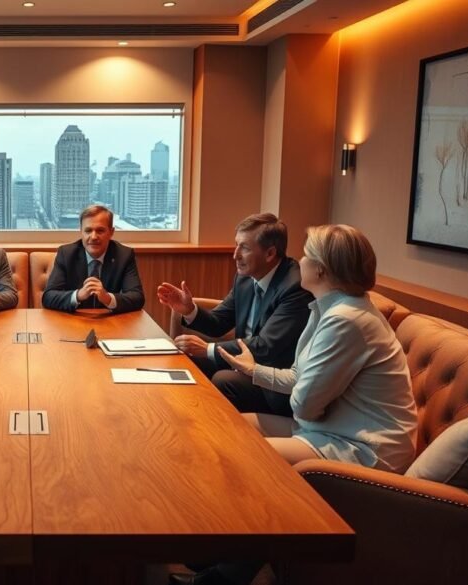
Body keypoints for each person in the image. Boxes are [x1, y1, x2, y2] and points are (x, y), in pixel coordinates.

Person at [173, 225, 418, 585]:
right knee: (226, 432)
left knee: (249, 459)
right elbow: (299, 377)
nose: (299, 259)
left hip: (363, 446)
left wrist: (290, 384)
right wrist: (255, 371)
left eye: (307, 254)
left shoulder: (346, 321)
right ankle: (217, 553)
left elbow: (304, 405)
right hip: (328, 427)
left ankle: (225, 575)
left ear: (321, 269)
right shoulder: (330, 308)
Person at [157, 213, 311, 415]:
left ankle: (222, 438)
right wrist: (189, 310)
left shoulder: (294, 287)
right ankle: (183, 420)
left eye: (244, 247)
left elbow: (267, 346)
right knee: (186, 359)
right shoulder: (245, 278)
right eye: (236, 245)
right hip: (244, 363)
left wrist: (209, 349)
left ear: (270, 253)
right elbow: (219, 322)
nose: (235, 254)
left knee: (224, 380)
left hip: (273, 381)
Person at [41, 205, 144, 313]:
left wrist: (108, 298)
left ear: (111, 232)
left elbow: (137, 298)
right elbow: (48, 297)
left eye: (100, 231)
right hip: (73, 321)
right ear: (81, 232)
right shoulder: (66, 254)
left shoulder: (124, 255)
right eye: (88, 231)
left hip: (111, 322)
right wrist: (78, 295)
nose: (94, 237)